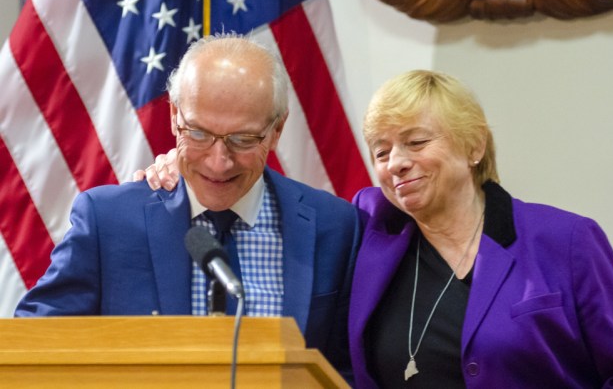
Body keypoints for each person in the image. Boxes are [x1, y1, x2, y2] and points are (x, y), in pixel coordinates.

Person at [138, 69, 613, 388]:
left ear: (474, 146)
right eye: (382, 150)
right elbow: (261, 190)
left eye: (416, 143)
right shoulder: (367, 227)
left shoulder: (566, 242)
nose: (396, 162)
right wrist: (180, 168)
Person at [14, 34, 360, 378]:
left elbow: (348, 371)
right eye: (198, 134)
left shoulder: (334, 226)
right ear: (174, 115)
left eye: (242, 140)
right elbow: (31, 348)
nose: (218, 162)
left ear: (277, 129)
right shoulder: (108, 221)